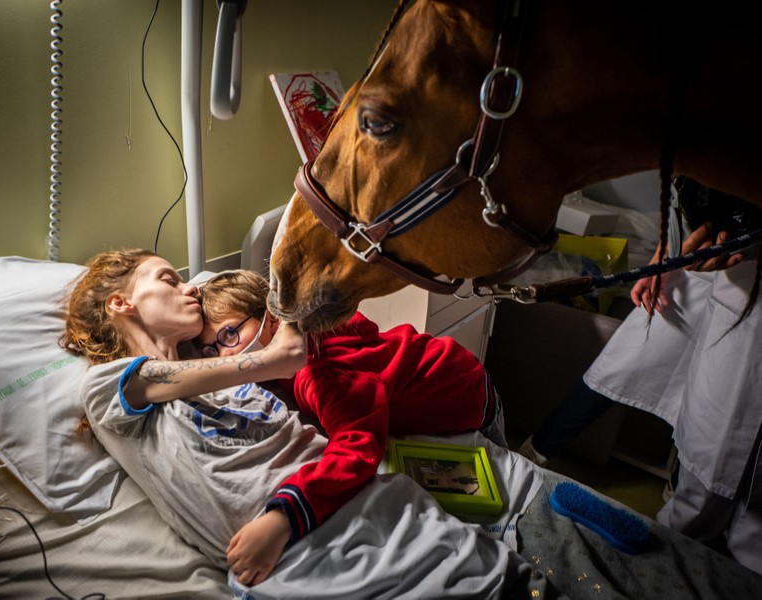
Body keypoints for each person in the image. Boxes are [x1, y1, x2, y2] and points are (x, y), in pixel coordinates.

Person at [61, 249, 542, 595]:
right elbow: (280, 361)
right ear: (121, 303)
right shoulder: (107, 386)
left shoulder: (246, 379)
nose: (188, 286)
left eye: (228, 335)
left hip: (424, 470)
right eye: (168, 279)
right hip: (322, 551)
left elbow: (314, 387)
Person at [196, 269, 507, 581]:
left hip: (468, 393)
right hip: (444, 367)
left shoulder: (319, 372)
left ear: (273, 319)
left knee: (499, 494)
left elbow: (358, 446)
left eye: (229, 335)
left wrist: (283, 518)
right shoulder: (308, 341)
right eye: (213, 348)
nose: (225, 355)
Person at [518, 177, 762, 575]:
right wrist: (661, 261)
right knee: (620, 363)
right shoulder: (692, 141)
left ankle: (682, 504)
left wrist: (748, 248)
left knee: (713, 412)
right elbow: (680, 203)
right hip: (692, 266)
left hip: (748, 282)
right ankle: (537, 449)